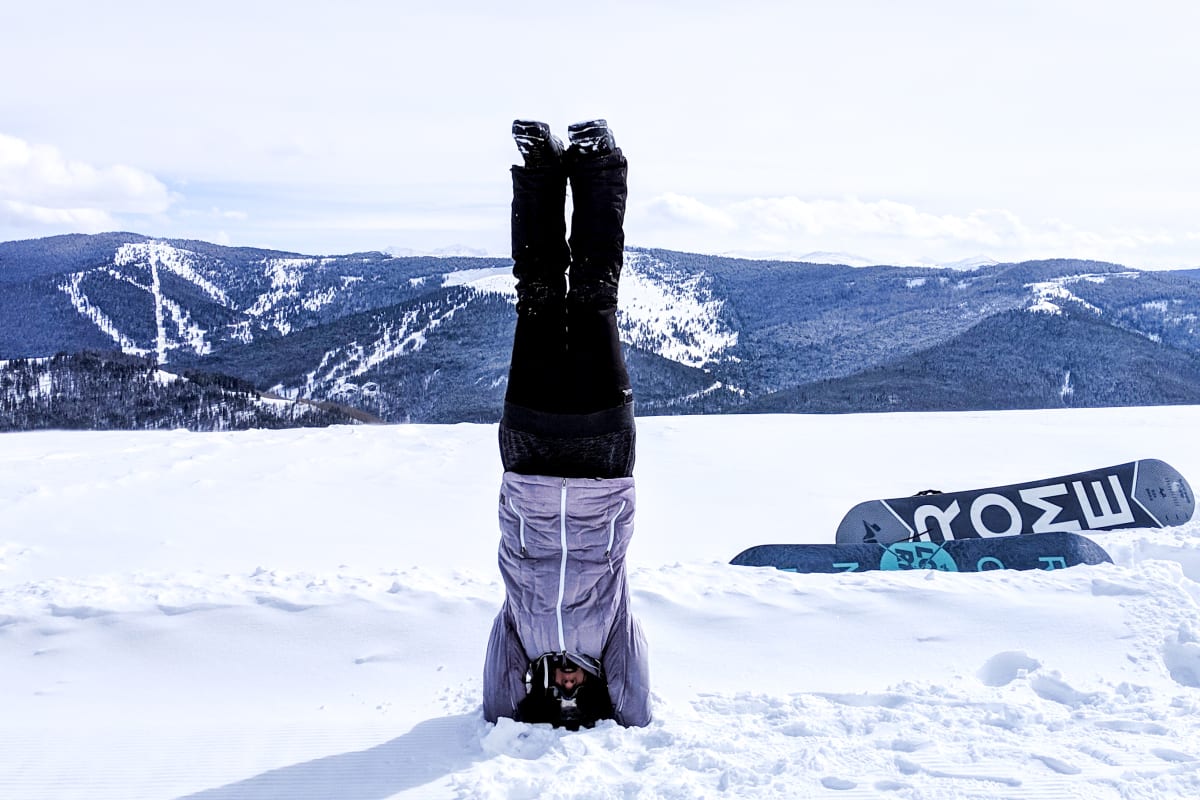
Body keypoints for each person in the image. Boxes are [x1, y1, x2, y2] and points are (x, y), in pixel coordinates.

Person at [482, 118, 651, 730]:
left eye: (559, 688)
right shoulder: (612, 631)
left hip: (528, 460)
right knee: (594, 297)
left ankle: (539, 169)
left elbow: (495, 703)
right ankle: (599, 164)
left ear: (542, 682)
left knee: (537, 294)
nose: (570, 680)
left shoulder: (519, 638)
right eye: (580, 687)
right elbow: (638, 705)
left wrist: (522, 712)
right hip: (602, 462)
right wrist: (614, 713)